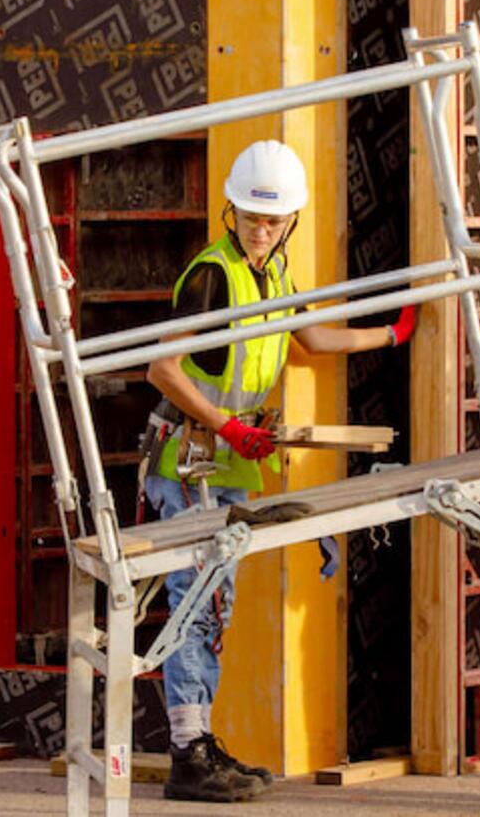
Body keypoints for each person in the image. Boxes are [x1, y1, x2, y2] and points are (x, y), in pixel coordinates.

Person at [139, 139, 415, 804]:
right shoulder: (212, 274)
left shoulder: (274, 271)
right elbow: (162, 368)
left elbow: (312, 338)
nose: (262, 230)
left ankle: (197, 740)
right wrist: (230, 424)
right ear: (230, 211)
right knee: (195, 605)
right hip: (190, 461)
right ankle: (186, 751)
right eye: (252, 219)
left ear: (291, 220)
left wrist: (393, 335)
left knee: (210, 607)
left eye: (274, 221)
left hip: (225, 461)